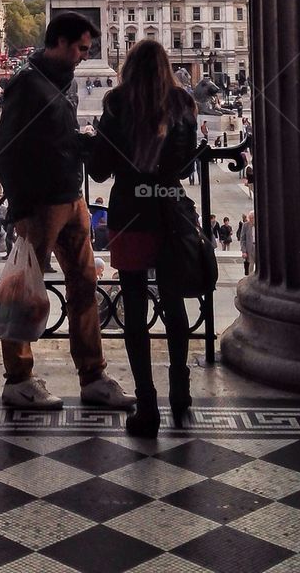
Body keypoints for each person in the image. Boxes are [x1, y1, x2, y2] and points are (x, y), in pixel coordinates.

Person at [0, 10, 134, 411]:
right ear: (58, 42)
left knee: (85, 283)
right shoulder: (27, 85)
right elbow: (6, 148)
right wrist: (20, 206)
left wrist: (79, 143)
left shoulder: (61, 82)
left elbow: (55, 136)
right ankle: (18, 378)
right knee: (25, 291)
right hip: (39, 204)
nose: (83, 57)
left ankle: (92, 375)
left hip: (72, 197)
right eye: (80, 49)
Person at [91, 38, 201, 436]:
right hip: (170, 210)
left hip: (130, 212)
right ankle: (180, 393)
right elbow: (187, 164)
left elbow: (100, 171)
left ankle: (147, 405)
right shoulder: (184, 104)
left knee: (134, 308)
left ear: (128, 68)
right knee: (173, 303)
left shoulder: (117, 103)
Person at [239, 210, 255, 275]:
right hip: (249, 248)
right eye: (250, 218)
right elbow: (242, 239)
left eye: (252, 218)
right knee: (250, 265)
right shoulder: (245, 225)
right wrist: (244, 251)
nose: (251, 220)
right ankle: (249, 280)